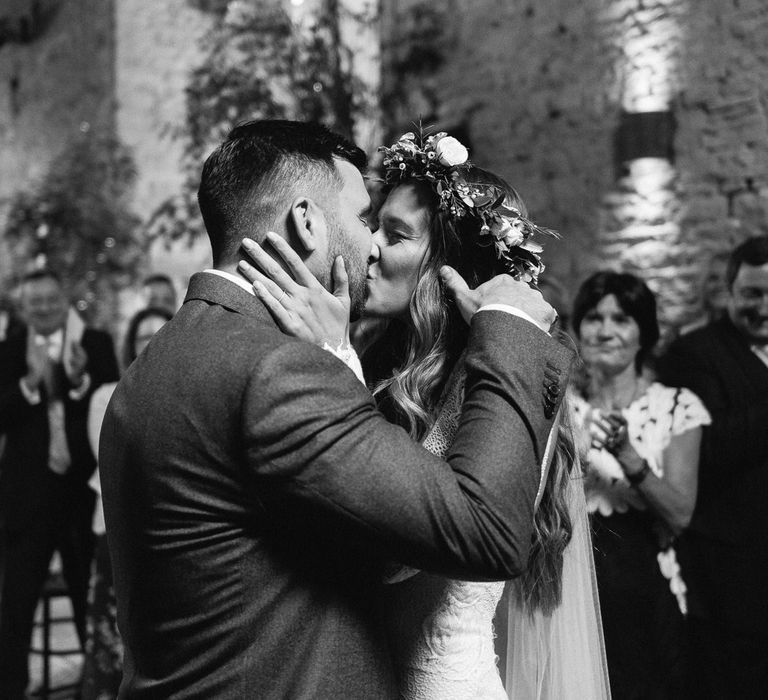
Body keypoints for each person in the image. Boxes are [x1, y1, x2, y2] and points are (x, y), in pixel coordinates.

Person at [99, 119, 574, 698]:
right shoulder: (283, 368)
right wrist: (511, 328)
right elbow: (470, 532)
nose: (370, 244)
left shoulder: (160, 360)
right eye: (362, 219)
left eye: (391, 233)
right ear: (306, 221)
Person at [240, 129, 609, 698]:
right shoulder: (385, 365)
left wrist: (333, 363)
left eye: (397, 234)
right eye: (373, 226)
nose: (371, 247)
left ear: (448, 266)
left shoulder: (486, 388)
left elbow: (394, 555)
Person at [568, 270, 709, 699]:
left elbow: (681, 514)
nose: (605, 330)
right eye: (594, 317)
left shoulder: (676, 406)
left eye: (622, 319)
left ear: (643, 333)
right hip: (572, 586)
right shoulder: (561, 404)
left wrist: (629, 455)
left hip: (646, 589)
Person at [0, 269, 119, 699]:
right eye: (36, 302)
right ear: (24, 307)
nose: (45, 308)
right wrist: (29, 385)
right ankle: (11, 689)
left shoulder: (96, 344)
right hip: (26, 503)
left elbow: (111, 409)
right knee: (14, 610)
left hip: (77, 502)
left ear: (63, 301)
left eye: (52, 300)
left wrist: (79, 379)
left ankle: (92, 688)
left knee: (85, 600)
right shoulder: (8, 351)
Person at [658, 235, 768, 699]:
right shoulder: (695, 354)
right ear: (730, 292)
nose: (764, 305)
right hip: (735, 576)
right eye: (753, 294)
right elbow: (713, 447)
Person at [81, 306, 174, 700]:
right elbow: (114, 463)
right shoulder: (107, 395)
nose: (151, 341)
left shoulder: (190, 392)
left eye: (161, 332)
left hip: (170, 539)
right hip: (118, 535)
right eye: (142, 335)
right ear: (130, 344)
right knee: (112, 643)